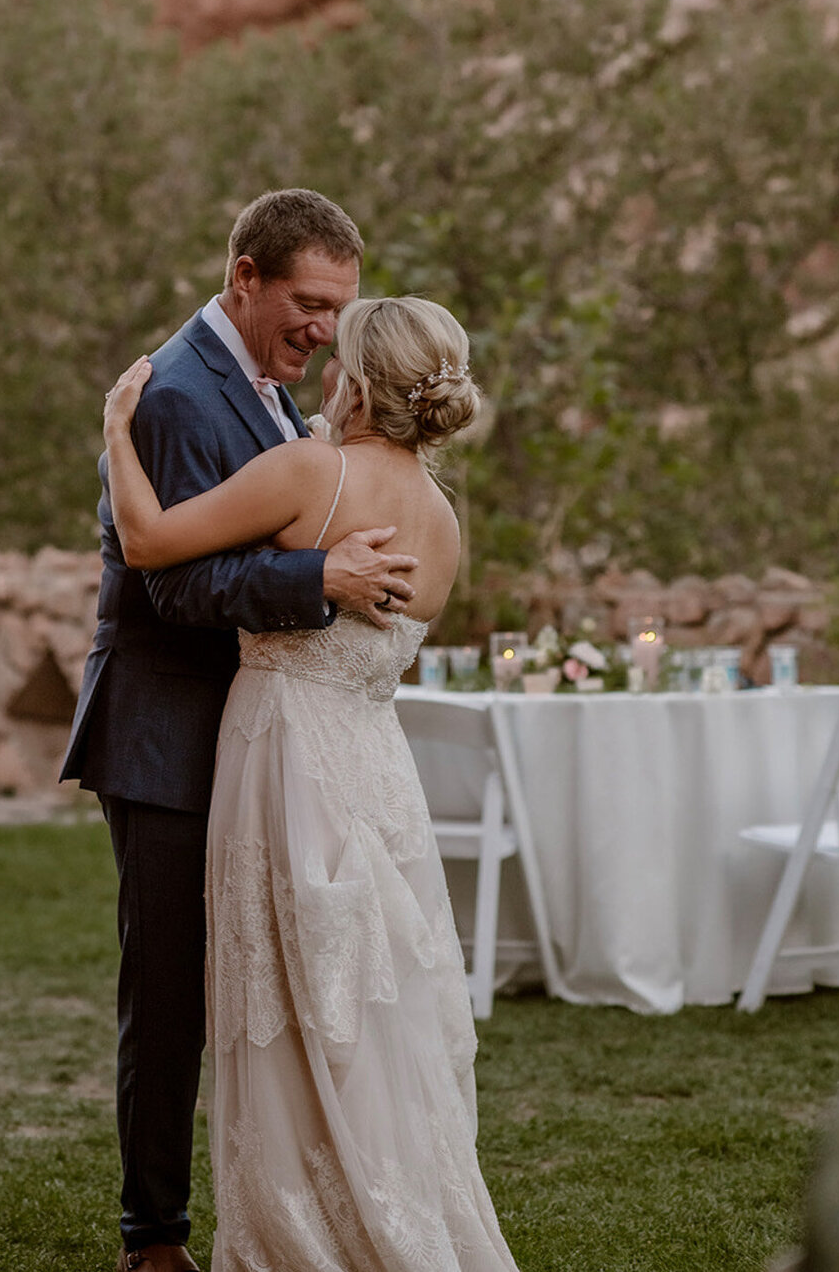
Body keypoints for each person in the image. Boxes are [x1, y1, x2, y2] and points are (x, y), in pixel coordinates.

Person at [103, 295, 521, 1272]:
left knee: (283, 992)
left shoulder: (309, 470)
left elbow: (150, 542)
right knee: (369, 1003)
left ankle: (300, 1227)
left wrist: (118, 432)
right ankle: (393, 1199)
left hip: (284, 756)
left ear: (358, 382)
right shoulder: (444, 520)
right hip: (375, 770)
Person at [60, 190, 421, 1272]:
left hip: (250, 732)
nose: (323, 327)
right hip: (166, 737)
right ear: (245, 278)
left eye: (339, 309)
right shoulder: (175, 393)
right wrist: (324, 574)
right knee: (169, 993)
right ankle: (154, 1238)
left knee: (266, 985)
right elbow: (171, 587)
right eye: (308, 302)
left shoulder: (262, 388)